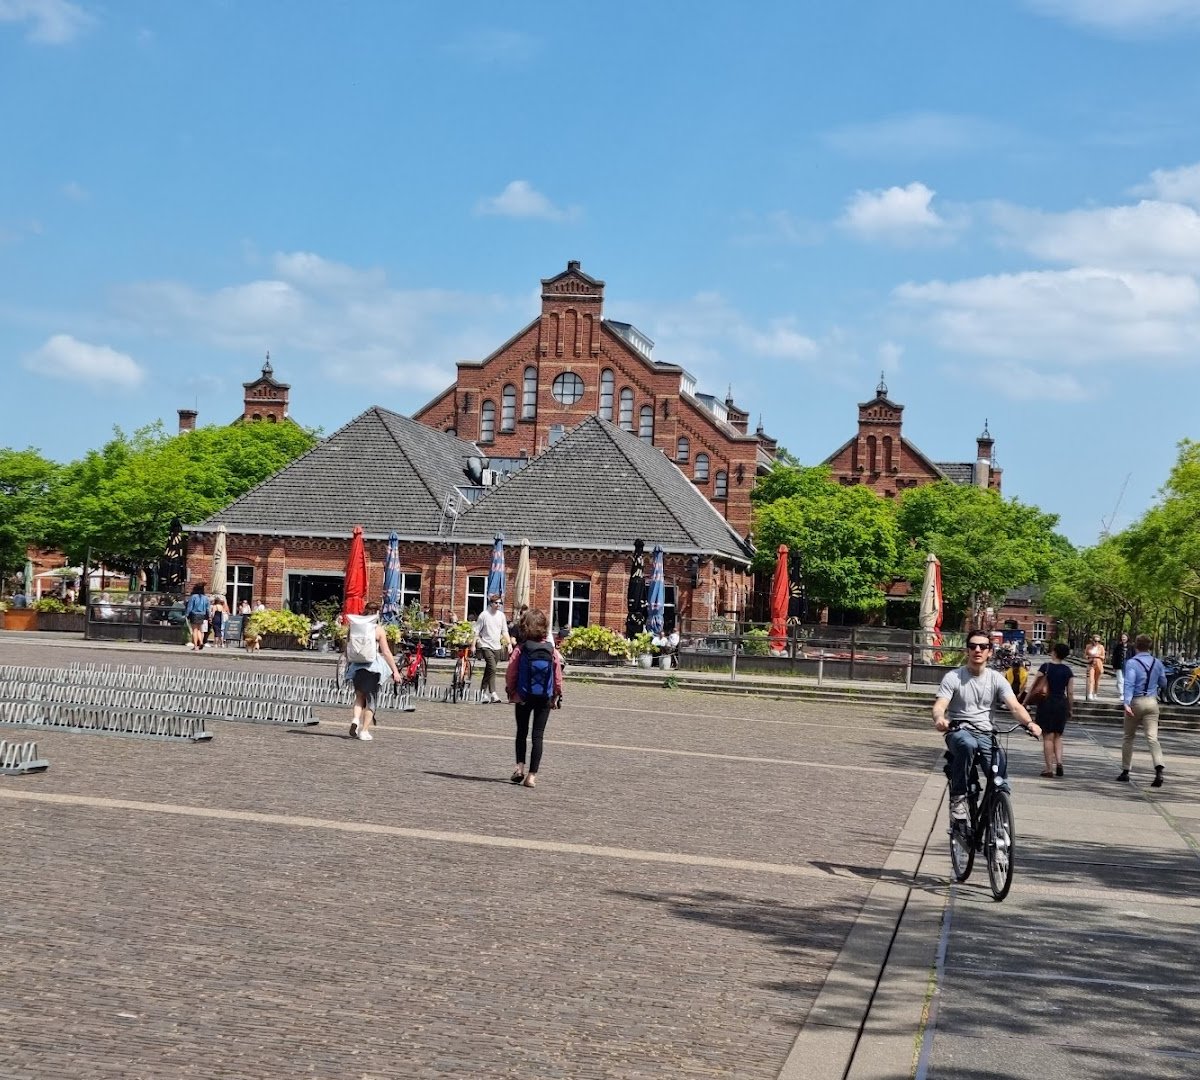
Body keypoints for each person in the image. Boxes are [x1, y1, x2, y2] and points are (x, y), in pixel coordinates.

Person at [933, 630, 1041, 822]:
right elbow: (940, 705)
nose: (978, 650)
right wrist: (940, 718)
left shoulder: (996, 678)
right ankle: (958, 797)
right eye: (973, 646)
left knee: (1000, 774)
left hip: (985, 733)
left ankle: (998, 825)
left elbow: (1015, 706)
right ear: (967, 650)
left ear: (990, 652)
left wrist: (1030, 723)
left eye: (983, 646)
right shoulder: (953, 677)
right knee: (967, 745)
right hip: (959, 730)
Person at [505, 608, 563, 788]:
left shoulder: (521, 649)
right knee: (538, 736)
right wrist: (556, 695)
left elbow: (511, 672)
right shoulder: (550, 650)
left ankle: (519, 768)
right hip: (544, 697)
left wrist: (511, 691)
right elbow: (557, 676)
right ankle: (531, 776)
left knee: (521, 732)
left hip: (523, 695)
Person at [342, 602, 402, 742]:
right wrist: (395, 671)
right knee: (371, 701)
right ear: (377, 614)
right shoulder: (378, 629)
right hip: (372, 668)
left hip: (356, 666)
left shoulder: (353, 627)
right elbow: (386, 652)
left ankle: (355, 720)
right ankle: (364, 731)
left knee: (359, 697)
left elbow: (347, 649)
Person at [1119, 633, 1168, 787]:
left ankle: (1126, 771)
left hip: (1136, 701)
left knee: (1128, 737)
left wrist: (1126, 703)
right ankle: (1159, 767)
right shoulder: (1157, 663)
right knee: (1152, 738)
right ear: (1150, 646)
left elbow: (1129, 684)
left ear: (1136, 646)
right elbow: (1164, 683)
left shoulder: (1132, 663)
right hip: (1152, 702)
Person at [1028, 642, 1074, 777]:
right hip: (1061, 703)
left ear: (1054, 652)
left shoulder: (1045, 667)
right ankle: (1059, 762)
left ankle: (1049, 768)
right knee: (1058, 736)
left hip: (1047, 703)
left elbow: (1035, 686)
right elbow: (1070, 692)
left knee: (1048, 737)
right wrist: (1070, 708)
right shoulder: (1068, 671)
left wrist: (1025, 700)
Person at [473, 593, 509, 704]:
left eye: (500, 603)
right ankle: (493, 693)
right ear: (491, 603)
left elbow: (504, 631)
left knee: (489, 669)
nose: (498, 605)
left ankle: (482, 692)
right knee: (492, 668)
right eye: (496, 603)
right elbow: (476, 631)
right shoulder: (484, 615)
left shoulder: (501, 616)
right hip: (485, 645)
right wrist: (473, 644)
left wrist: (509, 644)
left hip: (497, 646)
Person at [184, 584, 210, 650]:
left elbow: (190, 607)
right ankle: (201, 642)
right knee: (199, 629)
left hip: (194, 614)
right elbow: (208, 608)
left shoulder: (193, 597)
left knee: (194, 630)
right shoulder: (206, 598)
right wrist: (209, 616)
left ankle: (195, 645)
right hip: (202, 615)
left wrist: (187, 614)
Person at [1084, 634, 1106, 701]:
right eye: (1095, 641)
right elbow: (1085, 655)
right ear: (1092, 640)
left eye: (1098, 641)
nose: (1097, 642)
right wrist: (1089, 657)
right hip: (1091, 664)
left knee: (1097, 681)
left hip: (1098, 665)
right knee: (1091, 679)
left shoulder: (1101, 647)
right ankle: (1090, 694)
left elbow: (1103, 657)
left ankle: (1095, 693)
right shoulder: (1088, 646)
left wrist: (1097, 656)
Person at [1110, 632, 1130, 700]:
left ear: (1127, 638)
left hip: (1128, 665)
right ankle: (1121, 693)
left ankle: (1125, 692)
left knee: (1126, 680)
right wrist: (1114, 666)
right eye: (1122, 637)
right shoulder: (1118, 646)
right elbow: (1114, 656)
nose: (1123, 638)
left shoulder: (1131, 646)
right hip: (1119, 664)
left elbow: (1134, 656)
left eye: (1125, 637)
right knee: (1120, 680)